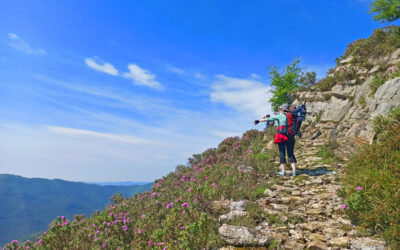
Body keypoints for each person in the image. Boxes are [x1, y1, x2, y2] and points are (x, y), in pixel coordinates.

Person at [254, 104, 297, 177]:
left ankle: (283, 171)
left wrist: (258, 120)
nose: (279, 110)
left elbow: (268, 119)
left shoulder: (281, 115)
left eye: (279, 109)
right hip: (291, 135)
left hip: (282, 135)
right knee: (290, 153)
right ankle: (294, 171)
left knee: (282, 152)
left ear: (282, 110)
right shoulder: (291, 116)